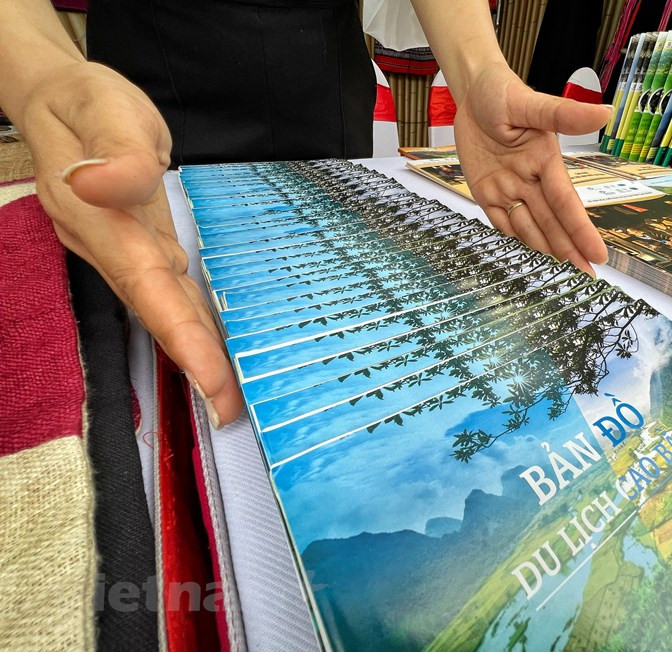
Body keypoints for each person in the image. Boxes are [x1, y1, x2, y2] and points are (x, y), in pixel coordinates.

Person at [0, 0, 612, 428]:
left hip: (325, 89)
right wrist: (42, 76)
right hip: (149, 97)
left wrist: (479, 69)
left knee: (350, 295)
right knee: (169, 322)